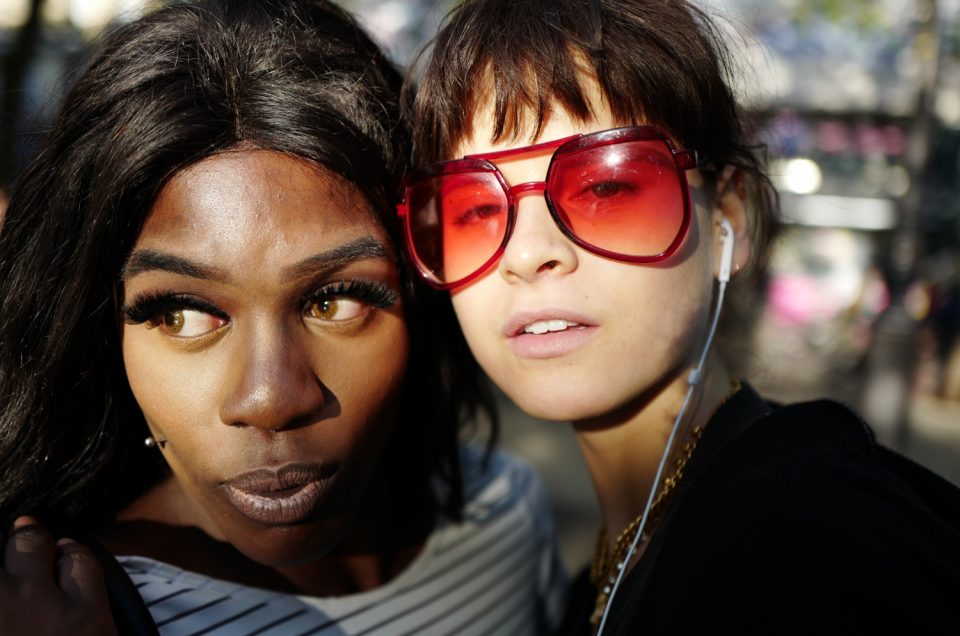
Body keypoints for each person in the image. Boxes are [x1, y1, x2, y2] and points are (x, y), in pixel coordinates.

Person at [0, 1, 567, 634]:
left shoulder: (507, 510)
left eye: (334, 301)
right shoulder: (73, 611)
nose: (271, 399)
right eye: (183, 313)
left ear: (418, 292)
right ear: (102, 330)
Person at [400, 0, 960, 633]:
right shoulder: (618, 560)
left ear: (731, 218)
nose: (528, 254)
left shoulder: (810, 548)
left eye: (606, 186)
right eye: (474, 208)